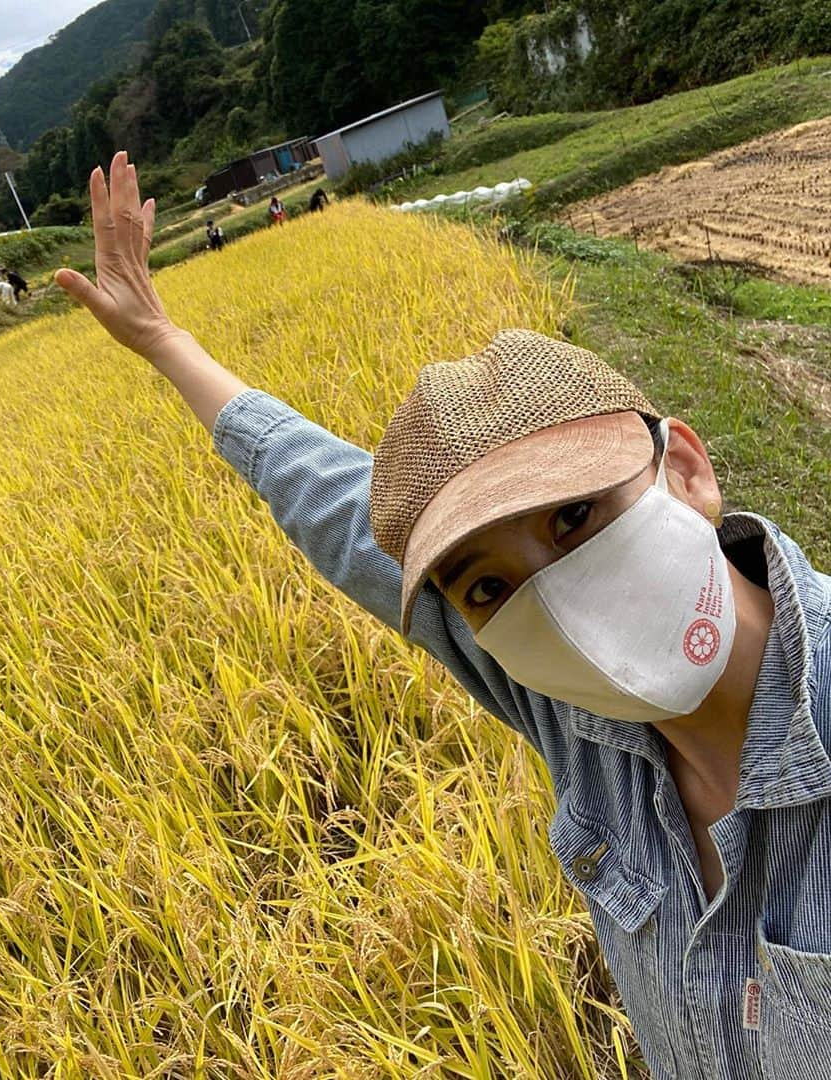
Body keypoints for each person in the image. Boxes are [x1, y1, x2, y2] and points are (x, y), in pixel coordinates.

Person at [53, 151, 831, 1079]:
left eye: (574, 516)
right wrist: (161, 342)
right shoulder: (566, 701)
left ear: (687, 471)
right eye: (487, 586)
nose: (556, 598)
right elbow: (336, 505)